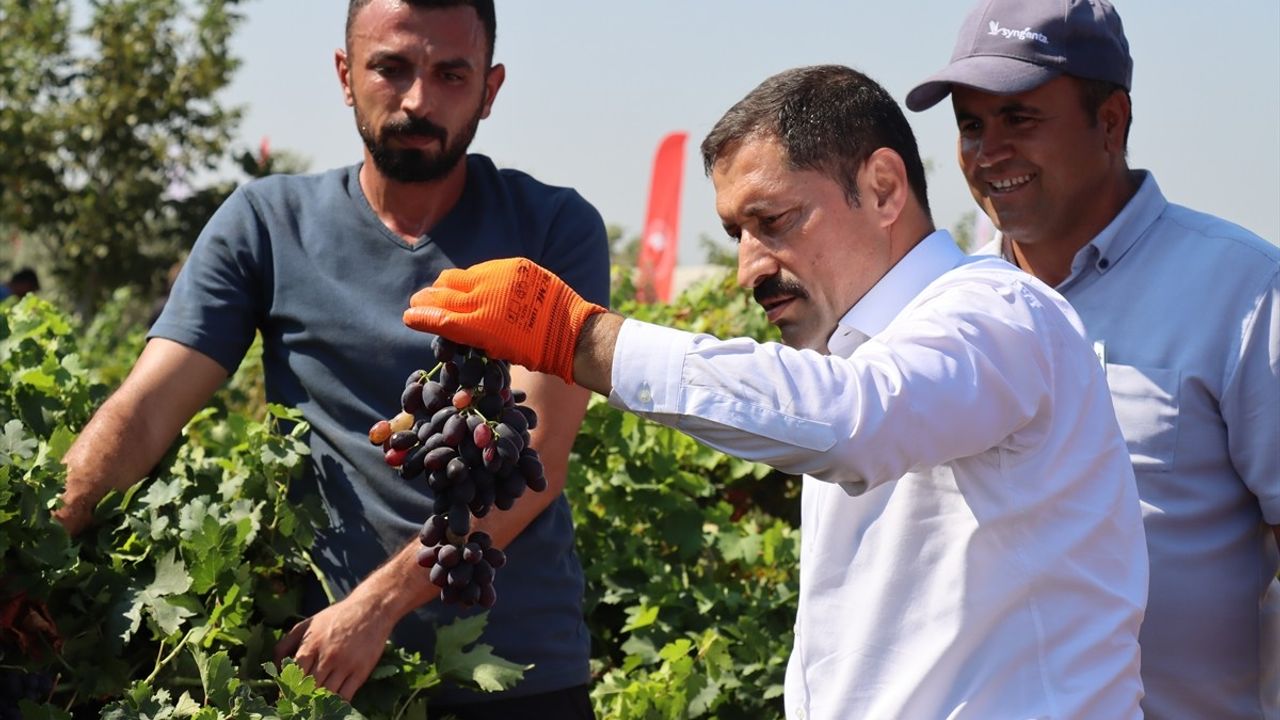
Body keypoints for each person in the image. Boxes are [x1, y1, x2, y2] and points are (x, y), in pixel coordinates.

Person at [402, 64, 1149, 720]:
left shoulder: (999, 316)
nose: (749, 269)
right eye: (737, 233)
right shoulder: (858, 353)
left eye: (775, 222)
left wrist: (580, 338)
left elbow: (861, 420)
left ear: (884, 189)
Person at [54, 0, 608, 716]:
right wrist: (38, 541)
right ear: (346, 76)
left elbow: (536, 457)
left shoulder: (553, 229)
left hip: (514, 674)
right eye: (391, 68)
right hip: (322, 675)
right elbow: (146, 407)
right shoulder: (265, 225)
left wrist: (374, 609)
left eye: (450, 74)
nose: (417, 99)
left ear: (490, 90)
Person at [905, 1, 1280, 717]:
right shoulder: (946, 311)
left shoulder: (1247, 293)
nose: (988, 153)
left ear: (1111, 122)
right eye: (971, 125)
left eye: (1020, 120)